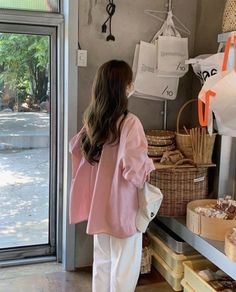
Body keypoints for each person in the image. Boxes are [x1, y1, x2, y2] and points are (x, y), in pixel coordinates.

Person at [69, 60, 155, 292]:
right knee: (124, 271)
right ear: (123, 87)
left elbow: (75, 150)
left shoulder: (93, 121)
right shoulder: (130, 123)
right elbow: (135, 172)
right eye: (129, 82)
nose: (132, 86)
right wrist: (150, 164)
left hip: (98, 209)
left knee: (102, 265)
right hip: (123, 210)